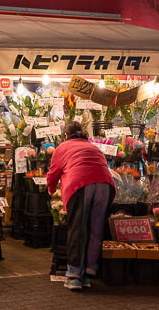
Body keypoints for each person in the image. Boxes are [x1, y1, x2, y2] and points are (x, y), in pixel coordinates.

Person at [46, 120, 115, 290]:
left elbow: (53, 173)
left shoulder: (63, 147)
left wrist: (51, 189)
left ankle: (74, 275)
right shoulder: (93, 147)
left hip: (81, 185)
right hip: (105, 185)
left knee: (78, 229)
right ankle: (88, 273)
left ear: (65, 135)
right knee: (96, 229)